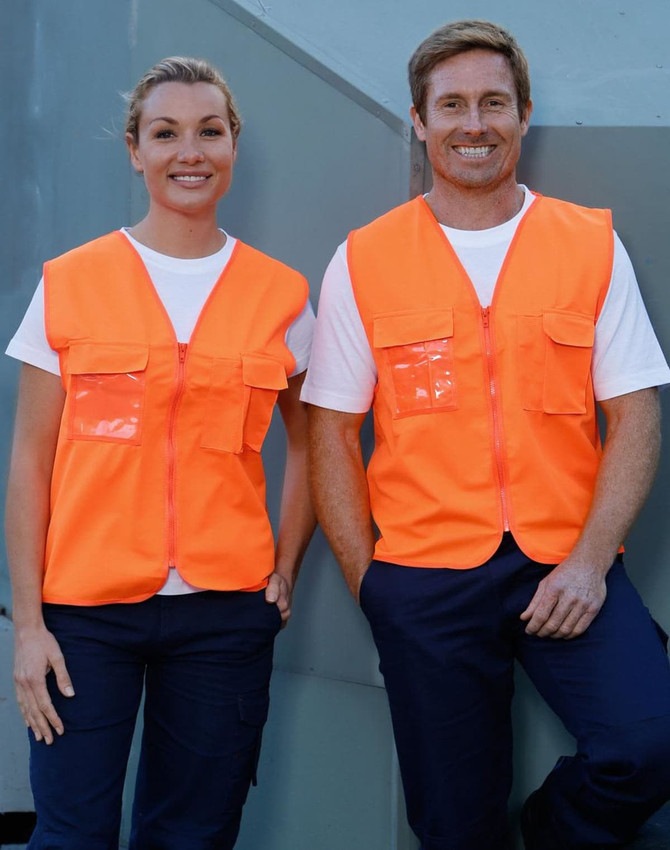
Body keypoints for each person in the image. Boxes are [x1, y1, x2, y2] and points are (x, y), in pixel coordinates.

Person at [303, 19, 670, 850]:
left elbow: (637, 415)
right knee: (455, 825)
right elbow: (330, 432)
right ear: (421, 121)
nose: (475, 123)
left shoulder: (590, 244)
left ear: (524, 114)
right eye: (454, 104)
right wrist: (374, 588)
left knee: (649, 743)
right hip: (424, 579)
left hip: (566, 559)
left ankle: (551, 829)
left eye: (494, 102)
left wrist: (588, 560)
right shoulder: (363, 259)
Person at [6, 56, 315, 849]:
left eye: (209, 131)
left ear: (233, 145)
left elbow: (314, 446)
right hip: (86, 619)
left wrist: (285, 564)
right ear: (135, 151)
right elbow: (32, 460)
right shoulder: (70, 282)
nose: (190, 151)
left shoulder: (281, 293)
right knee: (71, 835)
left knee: (194, 834)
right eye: (165, 133)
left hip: (224, 617)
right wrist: (30, 626)